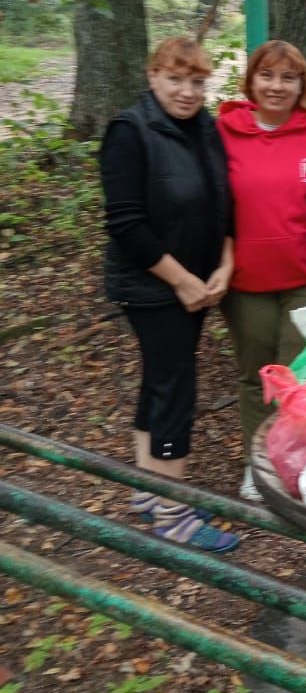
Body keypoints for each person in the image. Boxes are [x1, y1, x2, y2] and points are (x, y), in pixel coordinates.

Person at [101, 37, 239, 552]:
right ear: (153, 75)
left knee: (161, 381)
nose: (187, 92)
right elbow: (126, 224)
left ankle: (147, 487)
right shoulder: (129, 132)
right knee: (175, 393)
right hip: (154, 286)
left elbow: (222, 202)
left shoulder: (204, 128)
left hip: (199, 282)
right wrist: (181, 280)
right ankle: (172, 512)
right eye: (176, 80)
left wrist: (224, 262)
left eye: (198, 82)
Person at [217, 41, 306, 501]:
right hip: (245, 283)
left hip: (304, 280)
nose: (277, 86)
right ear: (251, 82)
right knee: (254, 378)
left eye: (288, 77)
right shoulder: (223, 132)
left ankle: (292, 460)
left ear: (302, 85)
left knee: (297, 376)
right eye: (267, 75)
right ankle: (256, 464)